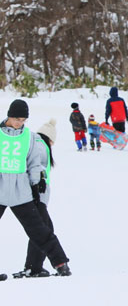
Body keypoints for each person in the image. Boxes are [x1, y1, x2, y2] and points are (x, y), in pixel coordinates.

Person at [1, 100, 72, 277]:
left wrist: (37, 183)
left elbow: (34, 163)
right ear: (9, 116)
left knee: (39, 229)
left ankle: (60, 263)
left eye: (23, 120)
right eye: (17, 119)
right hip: (0, 189)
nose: (19, 123)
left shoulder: (30, 137)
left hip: (21, 192)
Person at [13, 119, 62, 278]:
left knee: (42, 229)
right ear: (50, 139)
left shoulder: (36, 142)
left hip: (36, 195)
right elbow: (36, 168)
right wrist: (37, 186)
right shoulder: (41, 145)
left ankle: (34, 266)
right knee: (42, 230)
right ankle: (34, 267)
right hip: (36, 195)